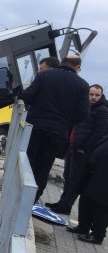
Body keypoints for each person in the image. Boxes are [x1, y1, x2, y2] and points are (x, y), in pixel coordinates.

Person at [23, 55, 89, 204]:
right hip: (59, 132)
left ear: (62, 62)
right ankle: (33, 198)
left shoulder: (44, 75)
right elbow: (83, 115)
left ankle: (21, 190)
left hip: (36, 126)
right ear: (77, 67)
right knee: (44, 165)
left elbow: (27, 96)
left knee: (28, 160)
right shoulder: (83, 85)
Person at [46, 84, 108, 214]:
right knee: (67, 176)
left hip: (83, 150)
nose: (93, 97)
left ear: (101, 96)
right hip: (73, 146)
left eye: (97, 95)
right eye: (91, 94)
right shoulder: (85, 107)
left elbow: (99, 133)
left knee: (75, 179)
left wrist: (84, 148)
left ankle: (66, 206)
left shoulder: (102, 110)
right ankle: (62, 202)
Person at [69, 137, 108, 244]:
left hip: (104, 178)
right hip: (96, 174)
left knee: (102, 206)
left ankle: (97, 235)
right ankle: (83, 226)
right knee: (86, 199)